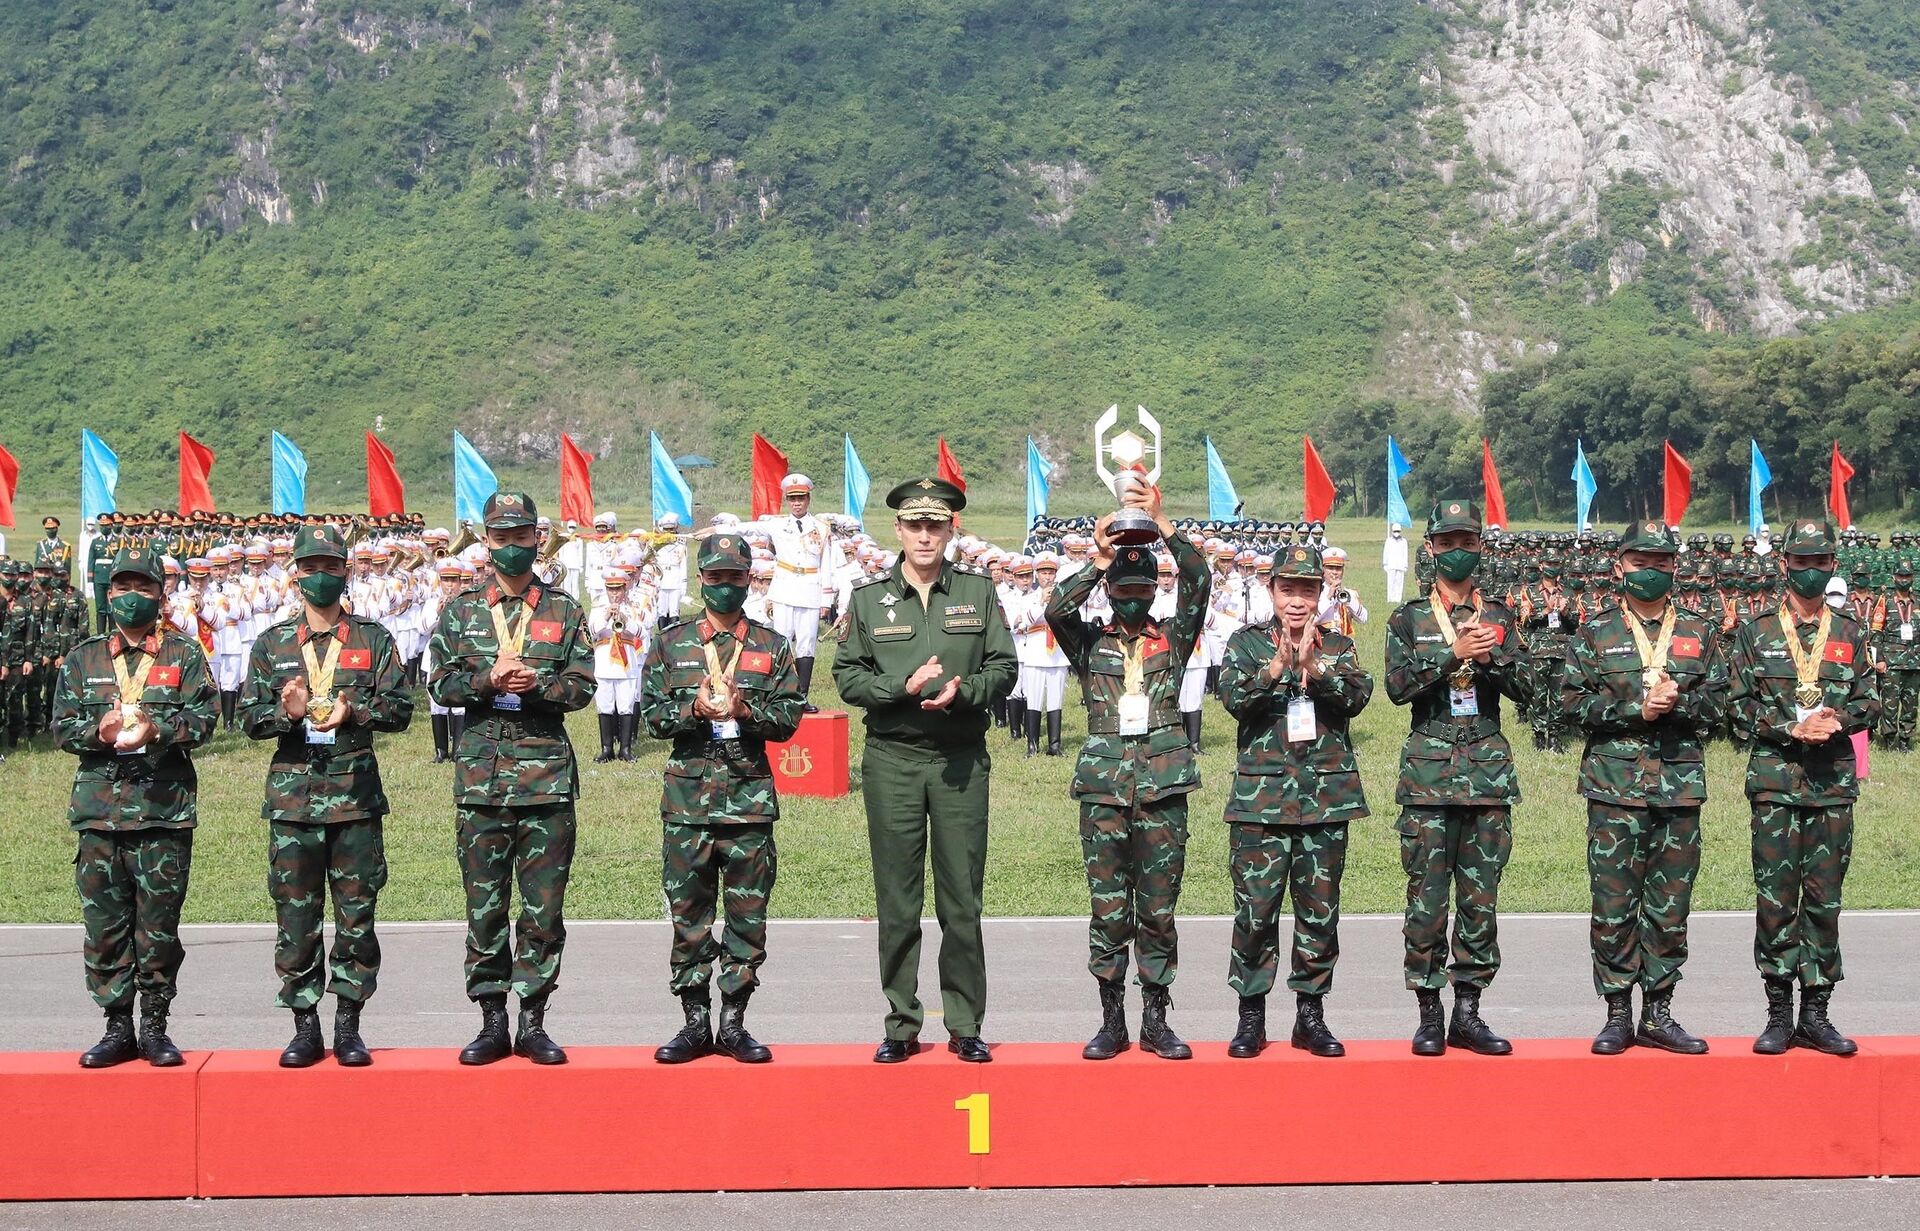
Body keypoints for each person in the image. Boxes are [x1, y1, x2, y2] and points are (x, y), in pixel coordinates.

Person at [833, 477, 1017, 1064]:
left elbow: (1004, 667)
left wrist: (965, 692)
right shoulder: (867, 599)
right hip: (894, 761)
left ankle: (964, 1021)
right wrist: (899, 688)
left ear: (950, 529)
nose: (925, 535)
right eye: (915, 525)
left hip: (960, 761)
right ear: (900, 530)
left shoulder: (978, 594)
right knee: (898, 899)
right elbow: (848, 677)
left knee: (962, 899)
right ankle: (901, 1022)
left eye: (935, 524)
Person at [427, 491, 596, 1066]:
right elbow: (439, 684)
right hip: (480, 781)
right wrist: (485, 684)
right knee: (485, 907)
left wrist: (539, 687)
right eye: (500, 538)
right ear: (486, 541)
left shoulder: (565, 610)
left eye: (521, 537)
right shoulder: (462, 609)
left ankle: (533, 1019)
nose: (511, 547)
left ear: (538, 540)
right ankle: (491, 1019)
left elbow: (583, 686)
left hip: (545, 779)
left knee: (543, 909)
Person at [237, 524, 415, 1067]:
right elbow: (247, 717)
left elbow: (401, 709)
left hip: (354, 798)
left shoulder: (373, 638)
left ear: (346, 571)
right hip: (294, 802)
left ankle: (349, 1024)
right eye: (310, 567)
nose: (320, 576)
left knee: (357, 916)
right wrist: (284, 715)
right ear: (296, 574)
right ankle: (304, 1025)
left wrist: (356, 711)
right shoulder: (271, 643)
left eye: (330, 567)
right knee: (296, 915)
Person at [1045, 486, 1208, 1061]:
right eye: (1125, 590)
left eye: (1142, 590)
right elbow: (1055, 610)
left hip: (1163, 787)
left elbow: (1200, 582)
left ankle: (1156, 1018)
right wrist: (1098, 561)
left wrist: (1161, 524)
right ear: (1111, 594)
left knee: (1159, 908)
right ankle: (1111, 1019)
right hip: (1105, 789)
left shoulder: (1174, 637)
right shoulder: (1089, 642)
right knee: (1109, 907)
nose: (1134, 600)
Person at [1561, 520, 1726, 1055]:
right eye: (1639, 561)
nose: (1649, 571)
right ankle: (1615, 1013)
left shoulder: (1700, 633)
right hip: (1615, 789)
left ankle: (1659, 1011)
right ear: (1620, 566)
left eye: (1660, 562)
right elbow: (1570, 705)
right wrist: (1635, 709)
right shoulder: (1597, 633)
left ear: (1674, 568)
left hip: (1678, 786)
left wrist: (1683, 703)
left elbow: (1725, 706)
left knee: (1670, 904)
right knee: (1613, 903)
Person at [52, 545, 219, 1067]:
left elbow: (206, 718)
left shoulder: (184, 655)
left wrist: (161, 729)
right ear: (108, 592)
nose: (131, 597)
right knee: (104, 928)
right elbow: (61, 726)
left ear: (159, 593)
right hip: (99, 812)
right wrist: (98, 734)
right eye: (121, 588)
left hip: (161, 812)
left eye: (142, 587)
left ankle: (154, 1026)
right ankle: (115, 1026)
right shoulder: (83, 658)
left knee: (158, 928)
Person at [642, 532, 804, 1064]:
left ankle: (734, 1022)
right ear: (701, 580)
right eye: (716, 577)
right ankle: (693, 1023)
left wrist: (744, 712)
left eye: (736, 577)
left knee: (746, 918)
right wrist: (692, 711)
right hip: (687, 803)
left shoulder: (772, 645)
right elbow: (652, 716)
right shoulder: (670, 643)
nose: (726, 587)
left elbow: (788, 720)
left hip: (748, 803)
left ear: (748, 581)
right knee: (688, 916)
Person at [1383, 498, 1533, 1057]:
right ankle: (1428, 1010)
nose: (1458, 553)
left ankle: (1469, 1010)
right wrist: (1451, 654)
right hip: (1428, 776)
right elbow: (1397, 688)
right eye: (1447, 544)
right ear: (1431, 550)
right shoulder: (1409, 618)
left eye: (1467, 543)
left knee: (1479, 898)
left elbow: (1528, 691)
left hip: (1487, 775)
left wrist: (1494, 660)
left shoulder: (1499, 615)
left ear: (1480, 547)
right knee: (1426, 898)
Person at [1727, 518, 1879, 1056]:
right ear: (1784, 563)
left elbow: (1869, 700)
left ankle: (1817, 1013)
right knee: (1775, 900)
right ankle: (1777, 1014)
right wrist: (1789, 726)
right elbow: (1736, 706)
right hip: (1774, 784)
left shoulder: (1852, 632)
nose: (1810, 571)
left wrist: (1837, 721)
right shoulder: (1757, 631)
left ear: (1833, 565)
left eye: (1820, 562)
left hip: (1832, 785)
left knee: (1824, 900)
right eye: (1801, 562)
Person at [1217, 541, 1373, 1059]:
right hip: (1261, 802)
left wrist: (1317, 667)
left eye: (1308, 589)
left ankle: (1311, 1015)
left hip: (1325, 799)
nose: (1299, 601)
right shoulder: (1246, 644)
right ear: (1272, 591)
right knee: (1255, 912)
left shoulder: (1338, 646)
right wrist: (1278, 668)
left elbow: (1359, 698)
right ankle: (1251, 1016)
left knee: (1318, 912)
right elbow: (1233, 700)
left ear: (1321, 591)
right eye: (1289, 590)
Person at [762, 473, 837, 711]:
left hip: (810, 590)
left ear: (808, 499)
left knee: (806, 644)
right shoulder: (776, 525)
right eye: (792, 498)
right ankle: (779, 694)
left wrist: (827, 599)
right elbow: (750, 529)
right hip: (784, 588)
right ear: (787, 500)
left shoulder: (821, 528)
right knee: (781, 641)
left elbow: (827, 565)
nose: (797, 503)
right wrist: (716, 530)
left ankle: (801, 696)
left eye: (801, 498)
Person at [1383, 523, 1410, 603]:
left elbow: (1405, 553)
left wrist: (1405, 565)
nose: (1396, 533)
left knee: (1399, 583)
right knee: (1390, 583)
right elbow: (1386, 552)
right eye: (1395, 531)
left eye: (1398, 531)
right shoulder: (1388, 540)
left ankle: (1398, 598)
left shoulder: (1404, 541)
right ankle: (1390, 599)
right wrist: (1385, 563)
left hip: (1401, 565)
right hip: (1391, 565)